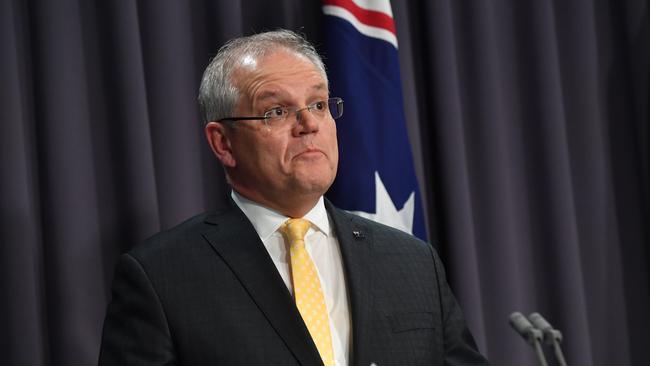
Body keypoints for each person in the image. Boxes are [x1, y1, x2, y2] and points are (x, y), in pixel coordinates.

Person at [99, 29, 489, 366]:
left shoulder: (412, 262)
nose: (309, 125)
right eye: (277, 112)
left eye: (319, 104)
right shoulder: (161, 276)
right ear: (223, 142)